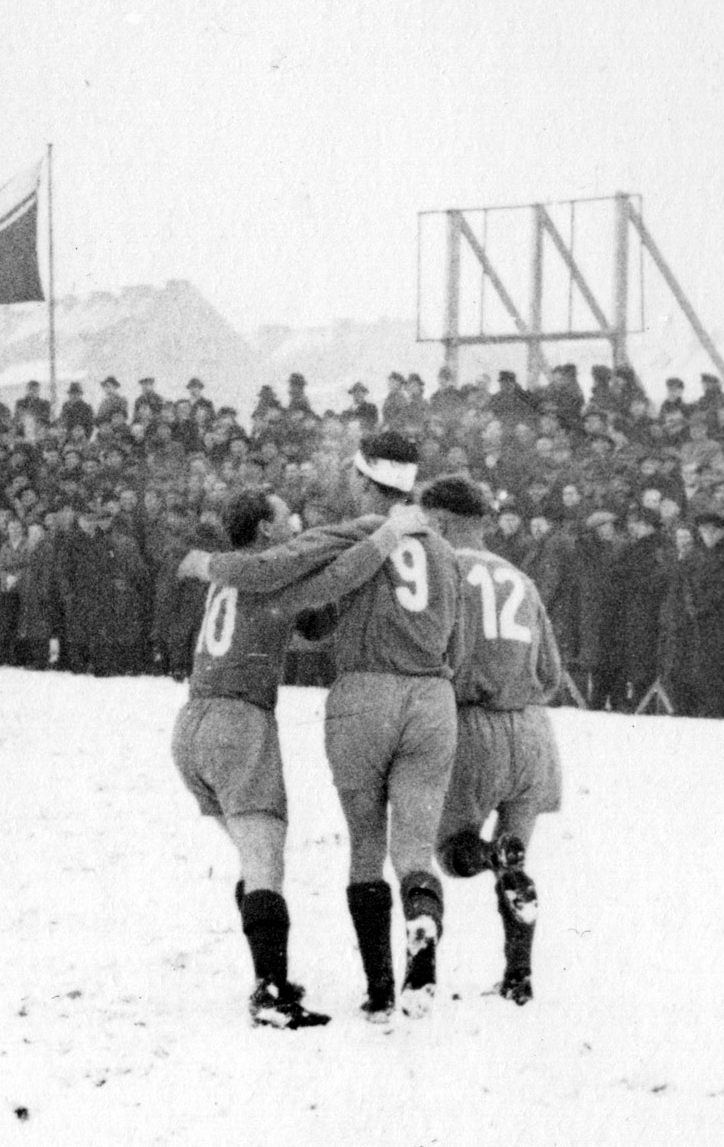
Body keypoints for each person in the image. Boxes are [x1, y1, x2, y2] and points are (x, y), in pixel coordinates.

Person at [183, 430, 465, 1020]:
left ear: (366, 480)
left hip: (218, 717)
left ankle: (372, 990)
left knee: (333, 849)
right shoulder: (439, 548)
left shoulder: (339, 535)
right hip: (429, 695)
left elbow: (303, 596)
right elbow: (329, 593)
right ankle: (413, 944)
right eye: (284, 514)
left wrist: (209, 563)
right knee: (408, 848)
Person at [418, 477, 560, 1005]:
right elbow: (551, 672)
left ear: (441, 522)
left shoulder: (443, 570)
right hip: (531, 730)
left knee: (453, 855)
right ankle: (518, 977)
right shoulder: (522, 577)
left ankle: (490, 854)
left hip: (470, 725)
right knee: (518, 859)